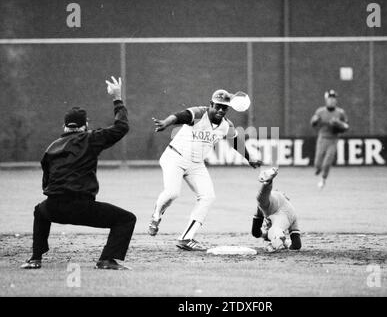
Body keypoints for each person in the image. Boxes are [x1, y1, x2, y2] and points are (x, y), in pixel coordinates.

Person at [20, 76, 136, 270]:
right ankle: (106, 260)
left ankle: (35, 258)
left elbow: (46, 182)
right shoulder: (90, 138)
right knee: (126, 219)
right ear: (85, 125)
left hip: (54, 207)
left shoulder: (51, 148)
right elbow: (121, 127)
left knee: (39, 211)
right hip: (82, 208)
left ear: (64, 126)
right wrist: (117, 98)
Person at [149, 89, 262, 251]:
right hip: (175, 157)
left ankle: (186, 238)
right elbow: (179, 116)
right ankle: (156, 215)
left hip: (196, 164)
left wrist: (249, 158)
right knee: (173, 193)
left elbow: (236, 141)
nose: (221, 110)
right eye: (218, 106)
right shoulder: (199, 113)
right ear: (211, 104)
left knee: (208, 197)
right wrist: (166, 123)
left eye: (224, 107)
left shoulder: (225, 125)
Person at [251, 167, 302, 252]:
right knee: (261, 201)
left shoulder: (276, 221)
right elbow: (296, 245)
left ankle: (267, 182)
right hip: (285, 206)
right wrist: (286, 243)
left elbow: (256, 232)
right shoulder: (290, 218)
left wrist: (276, 243)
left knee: (261, 201)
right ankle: (267, 182)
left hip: (279, 203)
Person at [310, 89, 349, 189]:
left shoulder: (340, 112)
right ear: (326, 100)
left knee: (328, 161)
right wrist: (315, 120)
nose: (332, 100)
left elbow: (346, 126)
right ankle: (318, 169)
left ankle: (323, 179)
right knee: (318, 163)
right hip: (322, 138)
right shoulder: (320, 111)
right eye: (330, 98)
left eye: (334, 98)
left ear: (336, 100)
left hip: (333, 139)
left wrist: (339, 124)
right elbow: (313, 123)